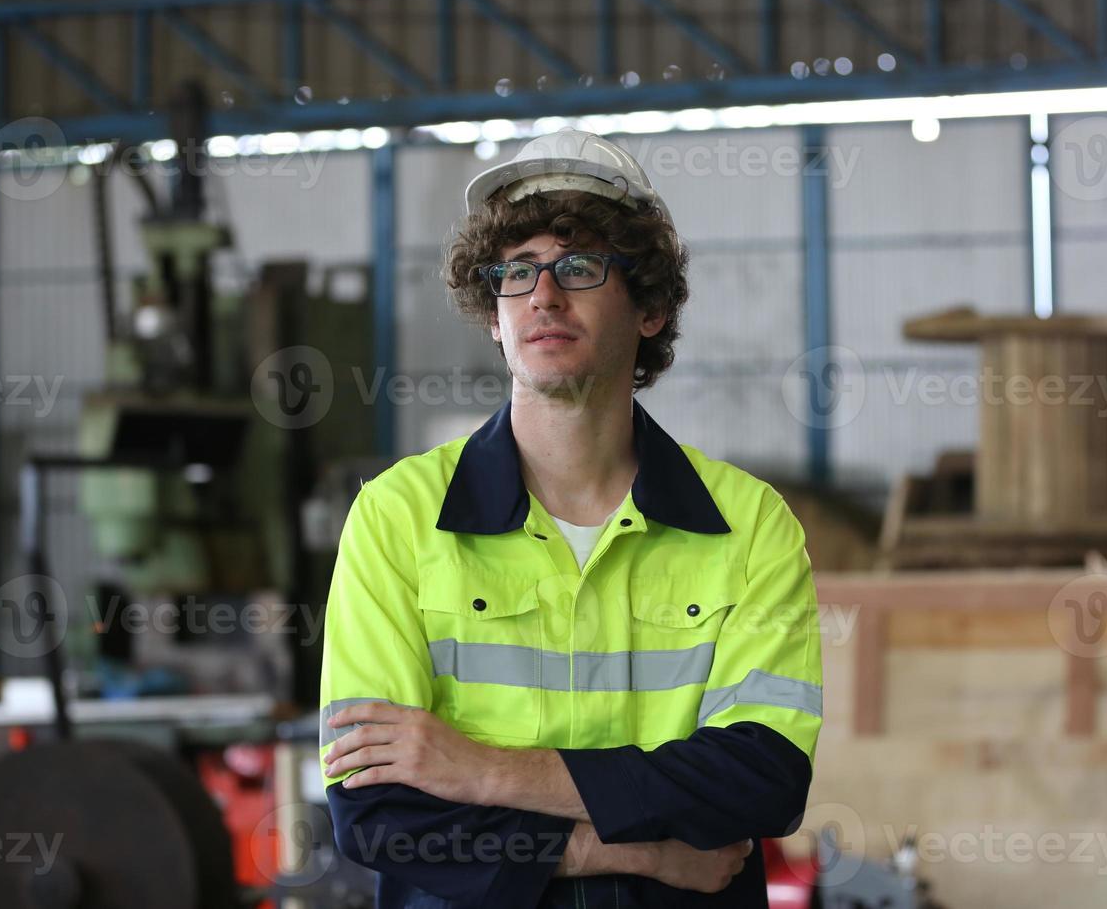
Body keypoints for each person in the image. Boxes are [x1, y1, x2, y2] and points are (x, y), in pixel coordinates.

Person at [318, 128, 824, 908]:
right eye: (516, 273)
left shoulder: (749, 524)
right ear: (493, 313)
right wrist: (641, 853)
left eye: (578, 267)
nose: (543, 297)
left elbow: (762, 782)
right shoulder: (398, 518)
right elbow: (377, 813)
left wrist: (485, 770)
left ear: (650, 306)